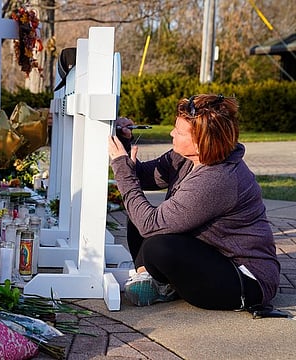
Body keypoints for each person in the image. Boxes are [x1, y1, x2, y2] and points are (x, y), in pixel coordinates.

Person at [108, 94, 280, 312]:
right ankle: (152, 279)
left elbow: (150, 224)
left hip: (244, 281)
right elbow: (143, 176)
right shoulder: (188, 158)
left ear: (201, 142)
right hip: (214, 258)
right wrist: (123, 142)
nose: (171, 133)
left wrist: (121, 166)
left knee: (157, 244)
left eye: (179, 132)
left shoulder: (218, 178)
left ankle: (157, 282)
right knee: (139, 213)